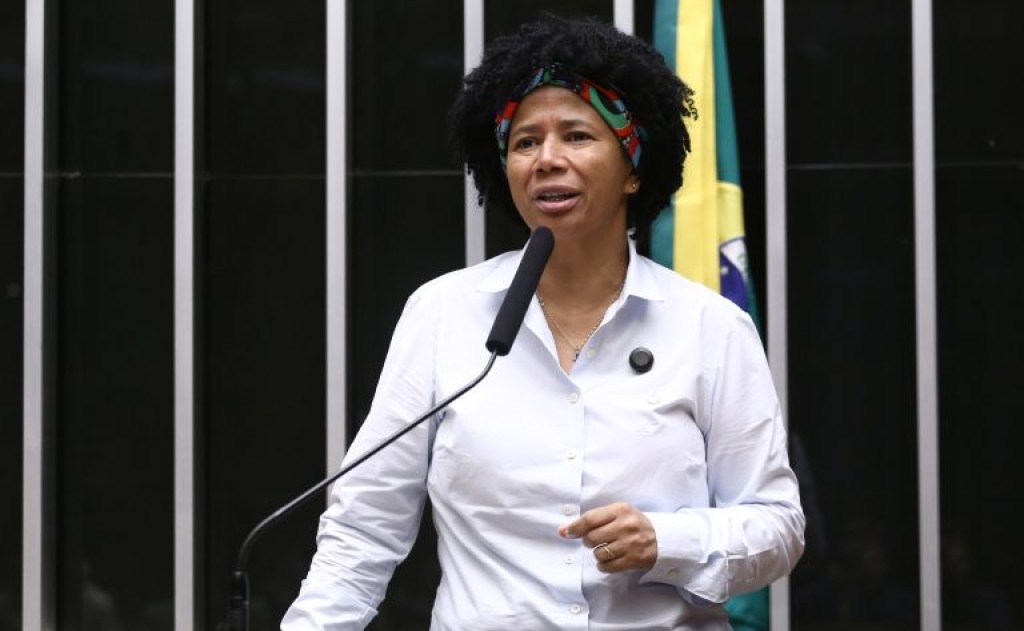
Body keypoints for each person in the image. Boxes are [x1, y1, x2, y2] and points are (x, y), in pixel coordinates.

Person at [282, 14, 805, 630]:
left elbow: (778, 526)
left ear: (634, 167)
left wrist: (668, 540)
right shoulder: (444, 314)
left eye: (577, 136)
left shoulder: (710, 327)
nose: (547, 159)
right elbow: (363, 529)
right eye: (526, 142)